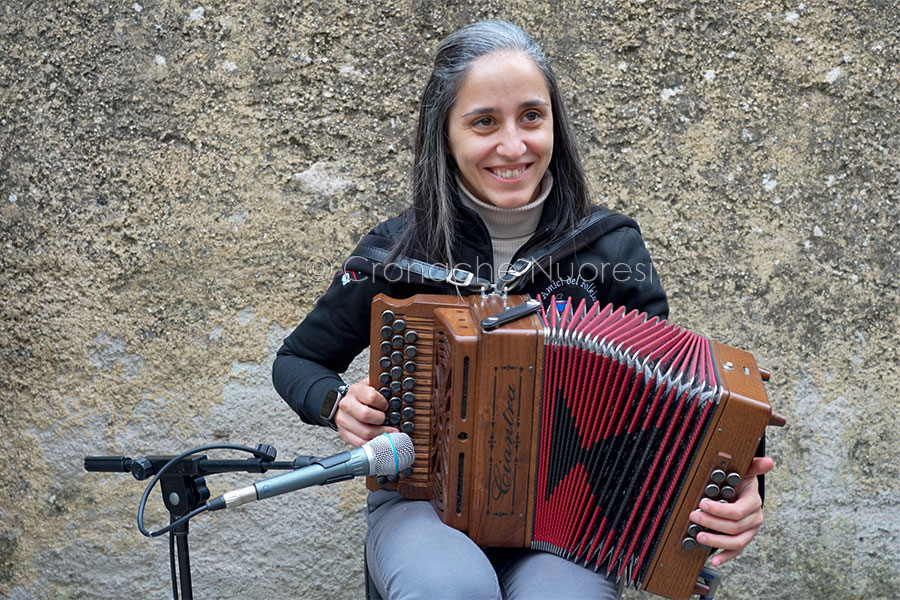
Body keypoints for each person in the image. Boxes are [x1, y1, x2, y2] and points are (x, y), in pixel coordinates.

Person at [273, 20, 772, 600]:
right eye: (484, 121)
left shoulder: (610, 248)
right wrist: (337, 404)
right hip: (421, 504)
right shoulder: (396, 254)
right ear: (445, 134)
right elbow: (297, 360)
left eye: (531, 117)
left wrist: (741, 487)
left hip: (569, 518)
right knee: (451, 589)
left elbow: (680, 397)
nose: (513, 146)